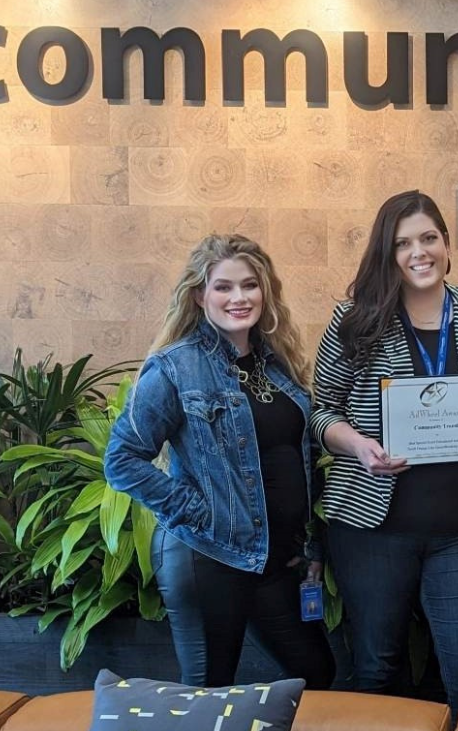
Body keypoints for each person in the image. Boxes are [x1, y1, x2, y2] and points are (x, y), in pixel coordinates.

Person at [104, 234, 335, 688]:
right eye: (223, 287)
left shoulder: (278, 365)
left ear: (265, 291)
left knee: (316, 673)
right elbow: (122, 460)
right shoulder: (176, 366)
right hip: (207, 557)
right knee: (209, 689)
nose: (239, 298)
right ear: (199, 294)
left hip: (276, 560)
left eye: (249, 285)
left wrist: (310, 545)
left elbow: (300, 456)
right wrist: (199, 512)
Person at [310, 191, 458, 716]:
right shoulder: (355, 319)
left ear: (445, 243)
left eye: (428, 238)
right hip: (372, 527)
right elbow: (321, 411)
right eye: (403, 243)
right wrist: (359, 446)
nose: (419, 252)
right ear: (386, 251)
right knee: (377, 669)